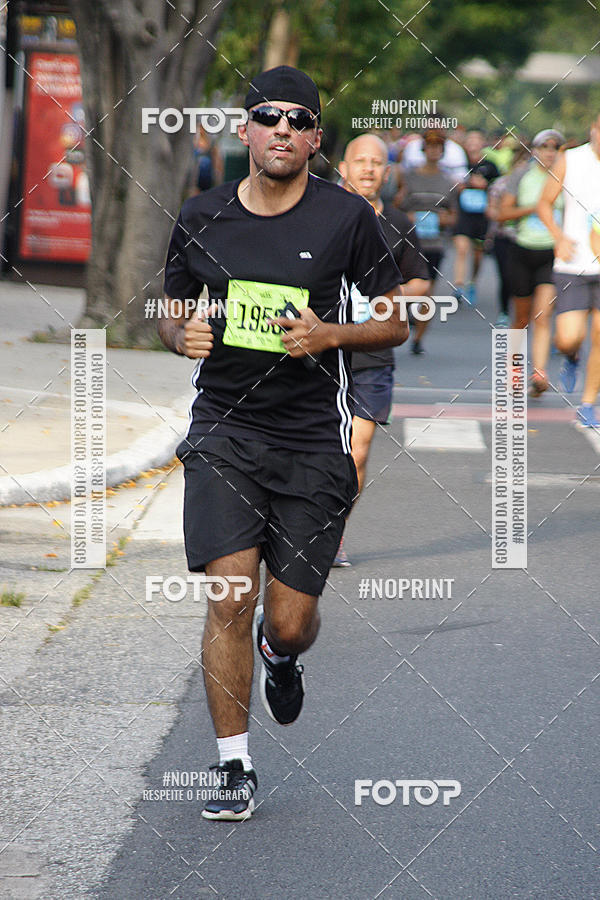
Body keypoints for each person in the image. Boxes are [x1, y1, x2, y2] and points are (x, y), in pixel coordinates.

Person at [158, 66, 408, 820]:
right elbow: (170, 303)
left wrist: (333, 333)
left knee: (289, 618)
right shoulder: (202, 214)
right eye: (269, 116)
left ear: (314, 140)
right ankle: (233, 766)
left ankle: (280, 655)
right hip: (225, 432)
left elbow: (398, 320)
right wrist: (179, 333)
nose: (283, 130)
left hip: (309, 440)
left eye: (300, 121)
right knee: (231, 594)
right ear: (246, 130)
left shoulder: (345, 218)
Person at [332, 133, 430, 566]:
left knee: (358, 450)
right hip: (320, 348)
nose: (369, 169)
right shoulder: (319, 213)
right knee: (312, 448)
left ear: (388, 173)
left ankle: (332, 533)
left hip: (373, 348)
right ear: (343, 168)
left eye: (377, 163)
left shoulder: (398, 223)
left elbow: (421, 281)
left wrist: (384, 295)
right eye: (360, 161)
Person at [538, 115, 600, 428]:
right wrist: (558, 237)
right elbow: (544, 203)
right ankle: (571, 355)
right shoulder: (571, 161)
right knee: (568, 338)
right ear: (594, 130)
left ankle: (589, 404)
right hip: (573, 263)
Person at [498, 129, 564, 395]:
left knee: (543, 314)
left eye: (555, 148)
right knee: (522, 317)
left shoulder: (565, 177)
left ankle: (539, 373)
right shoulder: (521, 174)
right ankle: (514, 372)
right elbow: (503, 213)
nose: (549, 152)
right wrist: (536, 208)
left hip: (552, 253)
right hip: (522, 251)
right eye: (544, 146)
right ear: (535, 150)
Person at [402, 128, 457, 351]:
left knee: (427, 292)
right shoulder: (409, 177)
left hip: (434, 244)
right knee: (404, 288)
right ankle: (402, 324)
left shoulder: (448, 182)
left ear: (442, 152)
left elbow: (454, 217)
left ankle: (418, 339)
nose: (434, 151)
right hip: (408, 243)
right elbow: (396, 207)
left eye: (438, 147)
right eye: (430, 146)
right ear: (424, 149)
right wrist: (408, 218)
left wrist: (443, 220)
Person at [452, 130, 499, 307]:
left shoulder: (490, 166)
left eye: (476, 140)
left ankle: (472, 282)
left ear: (482, 144)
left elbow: (499, 187)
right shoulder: (459, 164)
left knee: (477, 254)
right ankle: (458, 286)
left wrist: (485, 186)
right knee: (462, 248)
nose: (473, 144)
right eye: (469, 140)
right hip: (463, 214)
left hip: (481, 215)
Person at [486, 143, 530, 327]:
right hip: (504, 237)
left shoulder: (536, 185)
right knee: (506, 276)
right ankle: (505, 312)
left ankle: (526, 315)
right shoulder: (501, 184)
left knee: (524, 281)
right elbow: (491, 210)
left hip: (526, 238)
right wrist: (504, 214)